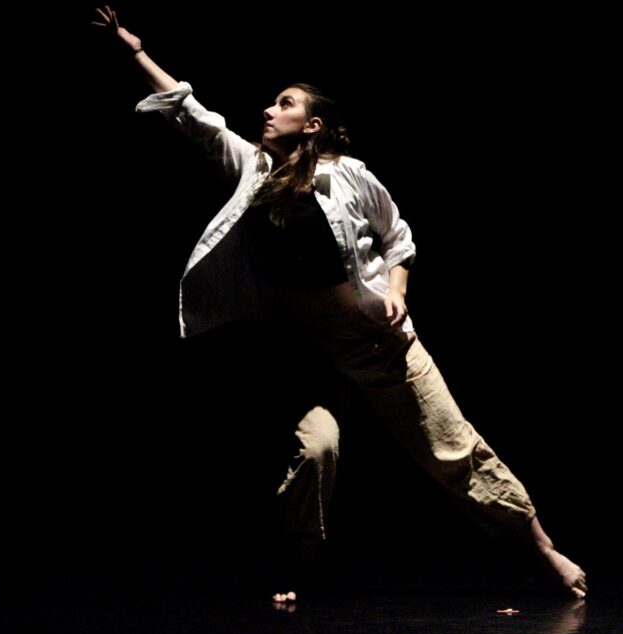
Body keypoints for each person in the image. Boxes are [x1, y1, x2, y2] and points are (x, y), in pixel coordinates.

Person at [91, 6, 587, 601]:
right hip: (309, 346)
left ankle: (542, 549)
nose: (268, 110)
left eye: (284, 103)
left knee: (452, 446)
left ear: (313, 125)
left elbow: (397, 238)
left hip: (374, 338)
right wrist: (135, 52)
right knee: (316, 449)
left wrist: (397, 292)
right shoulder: (251, 170)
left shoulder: (350, 176)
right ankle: (301, 566)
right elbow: (192, 114)